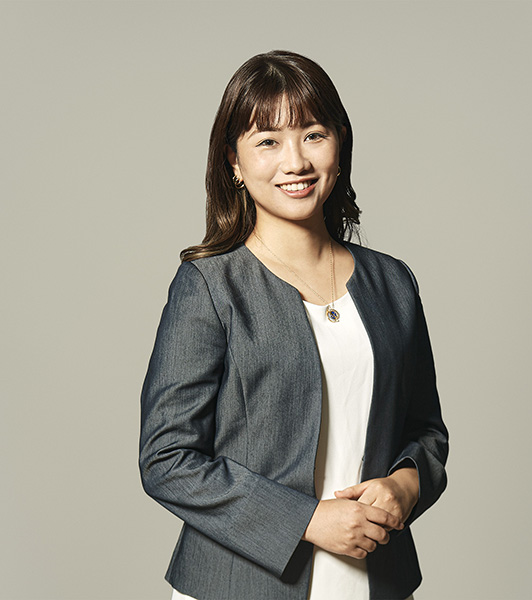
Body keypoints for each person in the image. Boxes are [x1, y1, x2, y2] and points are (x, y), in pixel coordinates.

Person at [139, 50, 448, 600]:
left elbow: (426, 430)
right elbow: (167, 459)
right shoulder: (210, 286)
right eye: (268, 141)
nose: (296, 161)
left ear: (340, 144)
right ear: (234, 162)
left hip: (375, 581)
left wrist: (406, 484)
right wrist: (307, 520)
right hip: (239, 585)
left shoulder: (393, 282)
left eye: (313, 135)